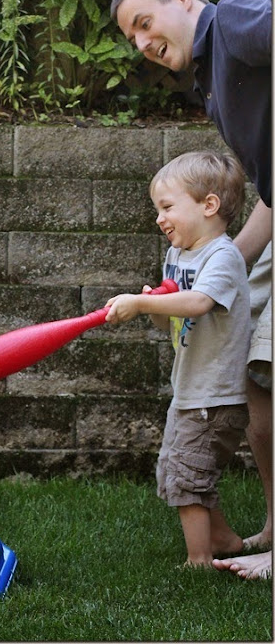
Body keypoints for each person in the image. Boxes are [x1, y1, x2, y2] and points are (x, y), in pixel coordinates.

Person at [110, 0, 272, 579]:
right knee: (258, 378)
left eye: (144, 23)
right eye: (132, 37)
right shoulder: (212, 80)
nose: (142, 43)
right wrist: (222, 261)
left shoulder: (232, 20)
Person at [105, 150, 250, 568]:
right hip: (190, 390)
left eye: (167, 207)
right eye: (158, 209)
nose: (159, 218)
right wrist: (154, 303)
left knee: (188, 476)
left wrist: (143, 303)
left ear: (209, 205)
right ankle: (223, 539)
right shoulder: (179, 255)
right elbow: (171, 315)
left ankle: (198, 561)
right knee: (177, 468)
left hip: (215, 396)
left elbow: (200, 302)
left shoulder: (222, 256)